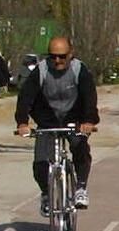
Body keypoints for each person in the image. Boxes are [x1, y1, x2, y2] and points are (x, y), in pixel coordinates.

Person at [15, 35, 99, 209]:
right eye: (53, 56)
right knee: (40, 163)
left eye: (62, 56)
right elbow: (26, 97)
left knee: (80, 148)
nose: (57, 61)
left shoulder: (79, 70)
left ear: (71, 54)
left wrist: (88, 121)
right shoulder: (41, 70)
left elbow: (89, 97)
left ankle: (81, 188)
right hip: (48, 121)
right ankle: (46, 194)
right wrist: (22, 123)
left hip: (73, 119)